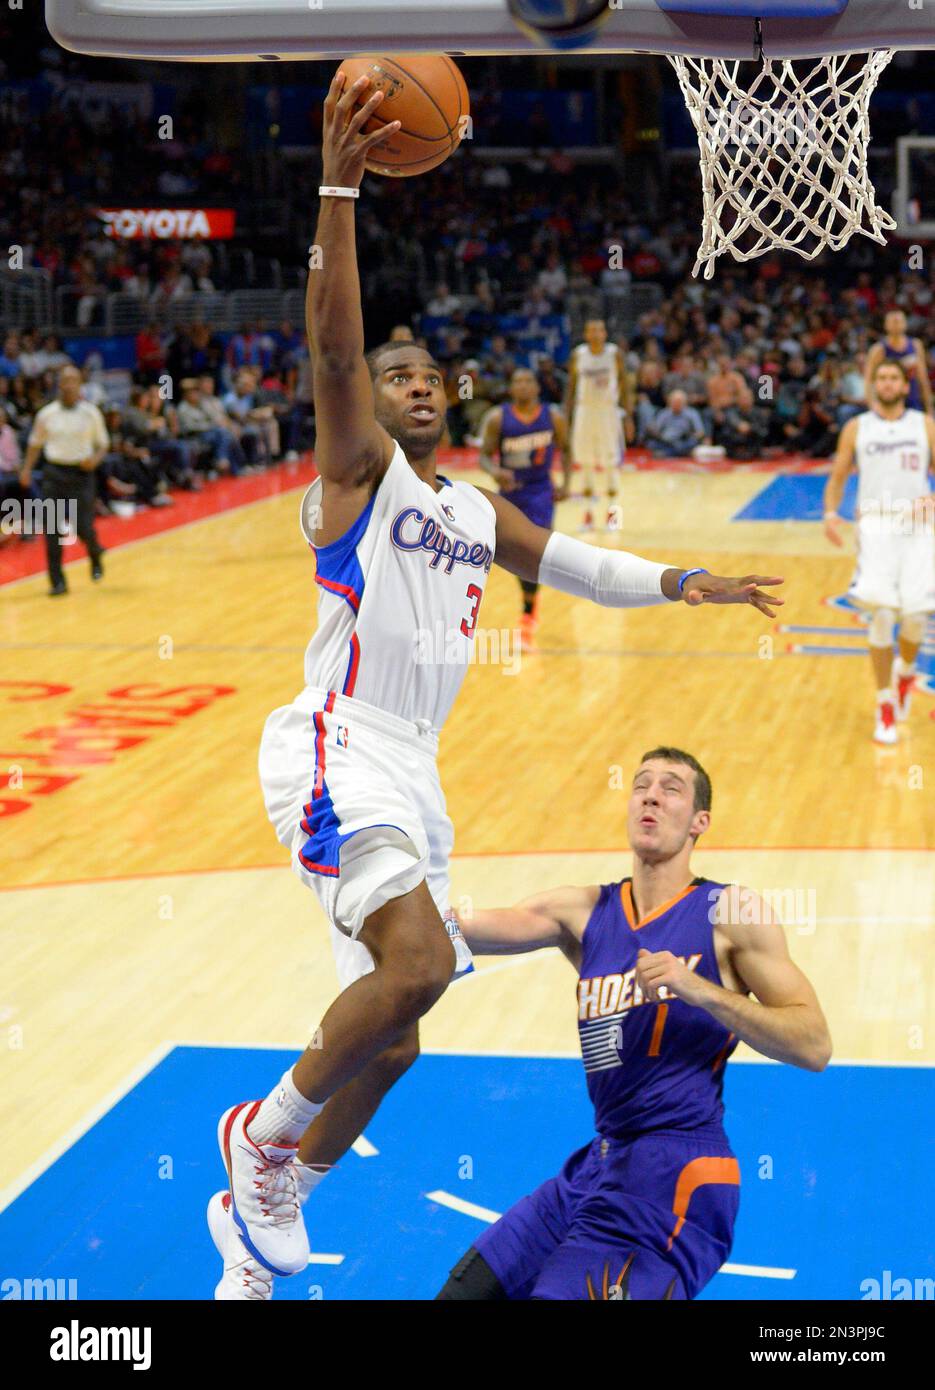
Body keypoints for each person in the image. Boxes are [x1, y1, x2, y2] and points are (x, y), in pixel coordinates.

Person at [205, 70, 784, 1301]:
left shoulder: (472, 508)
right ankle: (258, 1141)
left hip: (413, 766)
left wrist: (690, 579)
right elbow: (332, 343)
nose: (413, 383)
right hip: (335, 741)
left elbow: (579, 564)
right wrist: (338, 190)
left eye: (429, 377)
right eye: (396, 371)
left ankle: (278, 1199)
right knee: (414, 966)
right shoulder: (357, 477)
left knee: (405, 1026)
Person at [435, 748, 831, 1301]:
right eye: (641, 784)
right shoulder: (583, 912)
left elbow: (813, 1044)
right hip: (598, 1167)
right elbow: (456, 928)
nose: (650, 794)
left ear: (700, 823)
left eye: (671, 787)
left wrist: (699, 989)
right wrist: (376, 890)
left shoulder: (730, 913)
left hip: (679, 1178)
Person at [824, 358, 935, 744]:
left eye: (894, 378)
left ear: (905, 386)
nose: (888, 384)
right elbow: (839, 474)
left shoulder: (924, 425)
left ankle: (906, 671)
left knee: (916, 619)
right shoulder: (857, 428)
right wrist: (828, 514)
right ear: (874, 387)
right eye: (881, 378)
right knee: (884, 613)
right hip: (875, 523)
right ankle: (884, 702)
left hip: (919, 525)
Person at [478, 366, 570, 650]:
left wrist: (566, 483)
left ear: (537, 387)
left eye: (528, 381)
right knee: (493, 556)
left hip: (541, 492)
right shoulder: (497, 418)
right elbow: (483, 456)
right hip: (510, 494)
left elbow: (567, 450)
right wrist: (495, 471)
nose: (523, 386)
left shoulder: (552, 417)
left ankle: (527, 619)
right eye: (517, 381)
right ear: (511, 388)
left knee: (534, 556)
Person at [19, 364, 108, 596]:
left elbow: (103, 444)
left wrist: (95, 460)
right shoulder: (46, 414)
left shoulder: (91, 413)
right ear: (59, 385)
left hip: (81, 474)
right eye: (65, 381)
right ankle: (57, 582)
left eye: (73, 381)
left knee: (83, 527)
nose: (68, 385)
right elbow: (34, 444)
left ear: (80, 385)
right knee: (52, 530)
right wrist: (26, 469)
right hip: (54, 474)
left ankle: (95, 552)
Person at [564, 319, 631, 532]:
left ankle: (613, 515)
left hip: (608, 411)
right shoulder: (578, 355)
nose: (595, 334)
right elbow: (571, 387)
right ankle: (587, 515)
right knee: (584, 462)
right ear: (585, 333)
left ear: (604, 333)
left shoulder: (614, 354)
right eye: (591, 330)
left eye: (599, 330)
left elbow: (625, 384)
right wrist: (567, 418)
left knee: (611, 461)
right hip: (584, 411)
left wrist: (628, 415)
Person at [864, 310, 932, 416]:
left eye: (899, 321)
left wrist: (929, 408)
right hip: (888, 402)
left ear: (905, 324)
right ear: (886, 325)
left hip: (913, 400)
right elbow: (868, 381)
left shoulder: (915, 345)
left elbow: (923, 378)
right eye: (893, 321)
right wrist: (873, 406)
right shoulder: (878, 350)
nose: (896, 324)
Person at [646, 390, 707, 459]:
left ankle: (667, 453)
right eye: (674, 402)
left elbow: (700, 432)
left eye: (679, 402)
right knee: (651, 444)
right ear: (669, 403)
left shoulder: (692, 413)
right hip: (666, 441)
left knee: (692, 442)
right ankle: (678, 452)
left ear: (684, 403)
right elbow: (656, 428)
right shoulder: (664, 413)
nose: (676, 404)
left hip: (683, 441)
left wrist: (693, 436)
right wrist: (658, 435)